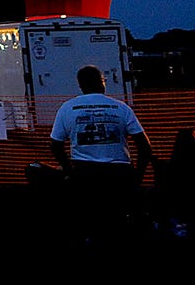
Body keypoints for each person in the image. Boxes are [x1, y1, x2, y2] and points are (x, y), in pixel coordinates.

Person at [50, 64, 154, 243]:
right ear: (102, 83)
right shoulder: (121, 108)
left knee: (90, 222)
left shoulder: (67, 108)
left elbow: (55, 144)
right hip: (120, 174)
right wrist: (138, 175)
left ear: (80, 85)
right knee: (120, 223)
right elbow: (145, 146)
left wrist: (69, 171)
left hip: (85, 174)